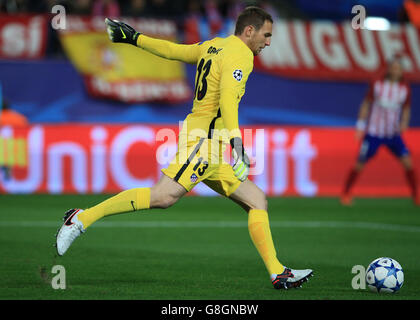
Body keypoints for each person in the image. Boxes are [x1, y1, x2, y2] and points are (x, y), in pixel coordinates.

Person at [55, 6, 313, 290]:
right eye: (266, 35)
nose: (268, 41)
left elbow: (173, 51)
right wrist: (238, 145)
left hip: (210, 145)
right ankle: (81, 218)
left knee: (256, 200)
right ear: (249, 31)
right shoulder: (241, 55)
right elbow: (228, 100)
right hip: (203, 143)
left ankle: (278, 273)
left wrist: (134, 38)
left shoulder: (213, 46)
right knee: (163, 196)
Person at [341, 57, 419, 206]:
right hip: (373, 133)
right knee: (360, 163)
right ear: (389, 69)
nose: (396, 71)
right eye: (393, 67)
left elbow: (407, 109)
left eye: (398, 68)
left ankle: (416, 195)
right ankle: (346, 193)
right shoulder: (377, 84)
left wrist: (404, 122)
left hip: (393, 134)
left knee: (408, 163)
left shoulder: (404, 89)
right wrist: (360, 125)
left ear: (402, 71)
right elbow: (366, 104)